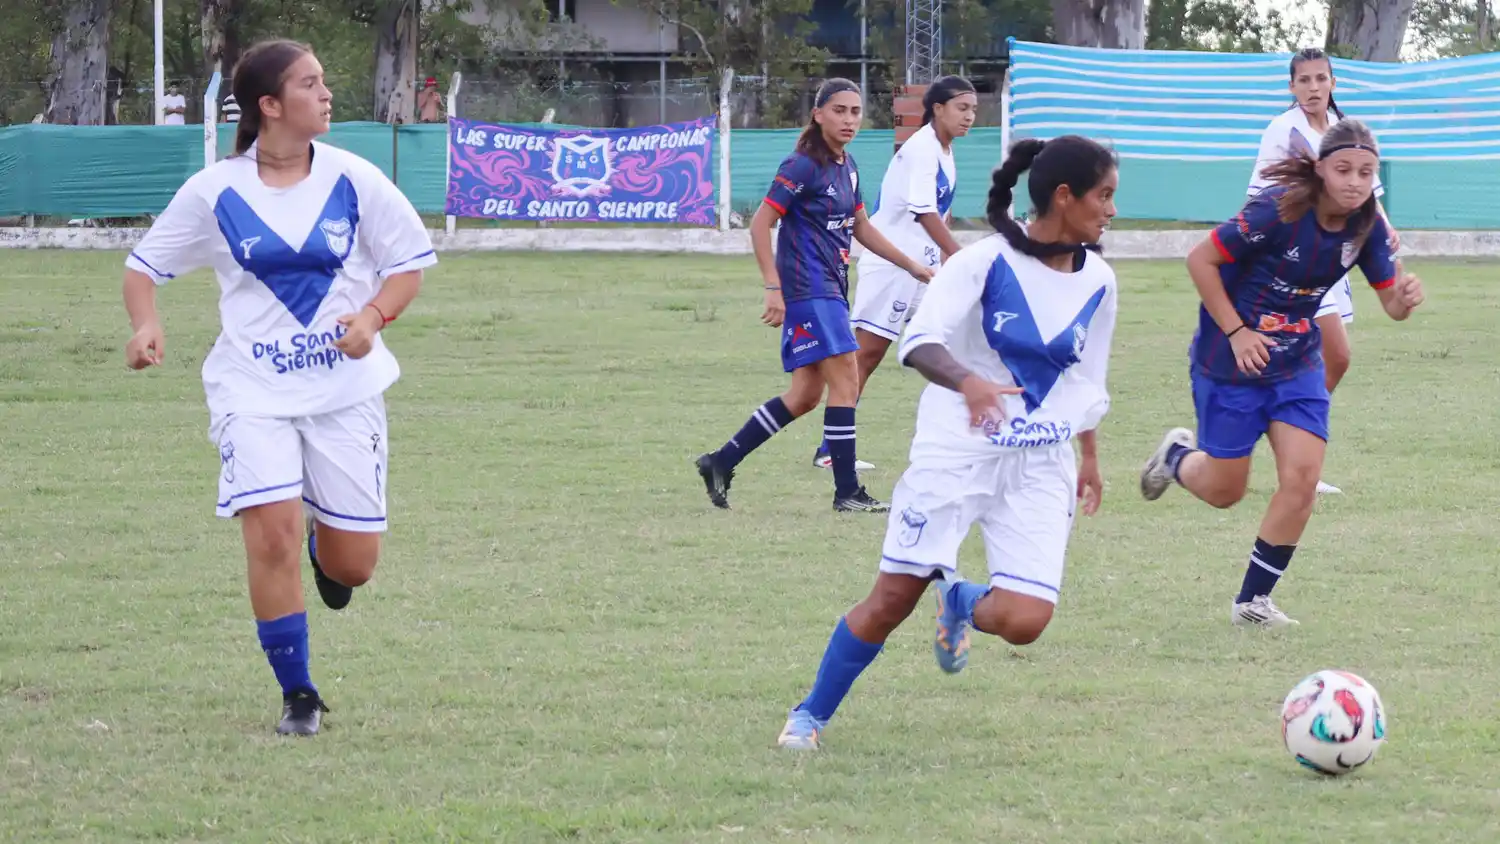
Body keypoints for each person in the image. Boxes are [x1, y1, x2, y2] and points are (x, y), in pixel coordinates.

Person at [121, 39, 438, 736]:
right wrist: (146, 325)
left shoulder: (354, 178)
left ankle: (332, 544)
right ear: (270, 105)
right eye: (310, 84)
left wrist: (374, 315)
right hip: (251, 392)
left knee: (353, 569)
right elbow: (144, 268)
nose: (326, 95)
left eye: (325, 82)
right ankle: (298, 695)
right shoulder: (215, 191)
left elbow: (410, 263)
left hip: (344, 393)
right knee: (270, 537)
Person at [777, 135, 1120, 750]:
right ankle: (809, 716)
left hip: (1041, 463)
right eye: (1105, 196)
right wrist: (970, 382)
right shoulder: (982, 263)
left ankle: (959, 598)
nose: (1112, 210)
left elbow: (1085, 381)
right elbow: (920, 342)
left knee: (1024, 621)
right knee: (891, 600)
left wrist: (1089, 457)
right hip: (956, 454)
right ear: (1064, 198)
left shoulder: (1100, 280)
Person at [1140, 119, 1424, 629]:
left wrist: (1401, 301)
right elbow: (1200, 260)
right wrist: (1236, 332)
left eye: (1366, 172)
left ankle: (1253, 602)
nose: (1355, 181)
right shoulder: (1278, 210)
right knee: (1226, 491)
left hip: (1297, 364)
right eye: (1343, 169)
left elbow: (1389, 302)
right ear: (1320, 169)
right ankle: (1177, 456)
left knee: (1302, 479)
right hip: (1229, 362)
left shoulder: (1367, 227)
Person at [696, 78, 932, 513]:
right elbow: (760, 223)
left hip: (832, 290)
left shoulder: (849, 166)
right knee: (848, 378)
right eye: (839, 110)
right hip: (809, 291)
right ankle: (848, 492)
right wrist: (773, 287)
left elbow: (862, 228)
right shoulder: (802, 164)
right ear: (818, 114)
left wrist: (914, 266)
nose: (848, 119)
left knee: (804, 396)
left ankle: (720, 461)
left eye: (855, 111)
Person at [1248, 47, 1402, 495]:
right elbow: (1261, 195)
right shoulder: (1282, 131)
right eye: (1304, 80)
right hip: (1296, 261)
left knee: (1327, 359)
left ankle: (1289, 445)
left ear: (1333, 82)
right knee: (1336, 355)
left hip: (1335, 257)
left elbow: (1367, 190)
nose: (1313, 88)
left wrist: (1384, 227)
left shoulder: (1342, 130)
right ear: (1291, 87)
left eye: (1321, 79)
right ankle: (1290, 451)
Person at [811, 75, 978, 473]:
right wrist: (960, 256)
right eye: (962, 108)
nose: (970, 116)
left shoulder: (945, 150)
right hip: (893, 266)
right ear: (937, 108)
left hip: (921, 267)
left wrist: (944, 262)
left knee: (952, 343)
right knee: (864, 356)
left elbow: (936, 213)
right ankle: (829, 448)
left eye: (974, 109)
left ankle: (962, 440)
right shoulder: (922, 148)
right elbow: (923, 212)